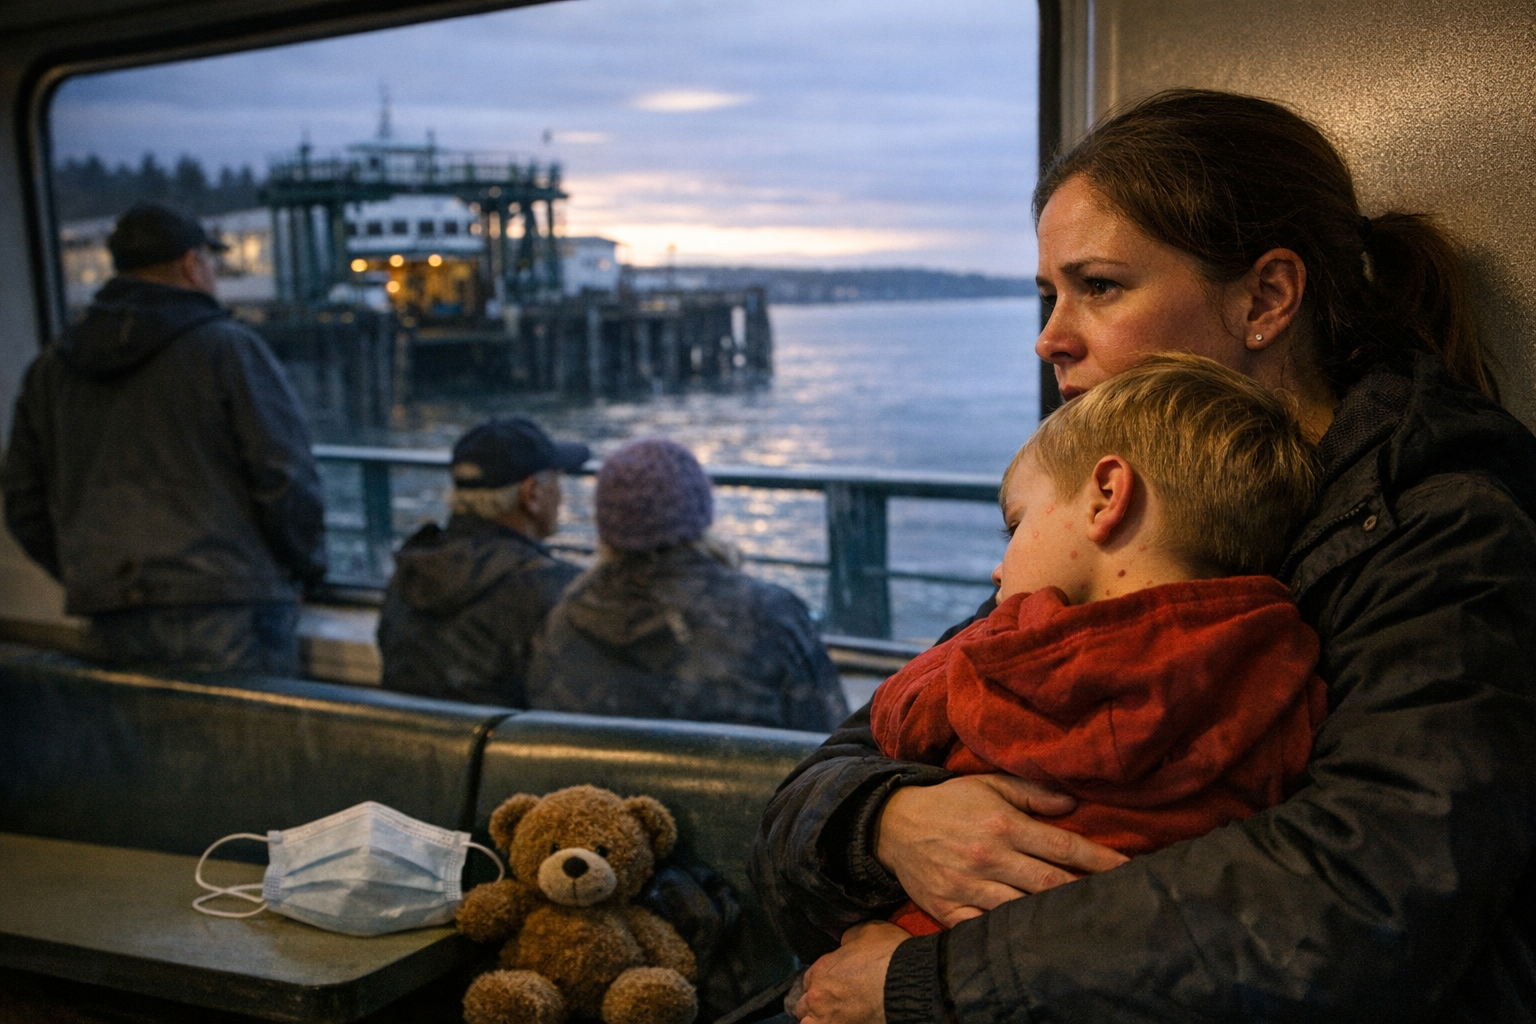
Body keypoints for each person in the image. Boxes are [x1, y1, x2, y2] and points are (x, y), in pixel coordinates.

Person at [749, 88, 1536, 1024]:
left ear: (1267, 298)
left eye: (1101, 287)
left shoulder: (1441, 522)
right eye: (1050, 295)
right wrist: (886, 824)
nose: (1051, 337)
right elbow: (827, 779)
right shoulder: (1105, 522)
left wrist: (931, 985)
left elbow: (1378, 886)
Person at [871, 354, 1326, 938]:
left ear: (1106, 496)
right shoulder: (1284, 660)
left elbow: (898, 716)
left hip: (946, 953)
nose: (997, 569)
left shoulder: (1012, 652)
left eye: (1016, 526)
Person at [2, 199, 325, 675]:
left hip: (112, 611)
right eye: (210, 261)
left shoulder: (52, 367)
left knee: (149, 747)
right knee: (245, 747)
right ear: (191, 265)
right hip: (230, 602)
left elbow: (22, 500)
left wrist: (91, 576)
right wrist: (303, 569)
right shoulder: (226, 349)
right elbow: (285, 476)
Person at [526, 436, 849, 731]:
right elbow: (829, 740)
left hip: (603, 795)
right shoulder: (771, 616)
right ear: (699, 512)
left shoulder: (565, 618)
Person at [376, 415, 589, 705]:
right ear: (532, 495)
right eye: (556, 479)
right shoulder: (548, 588)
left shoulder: (409, 571)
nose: (562, 494)